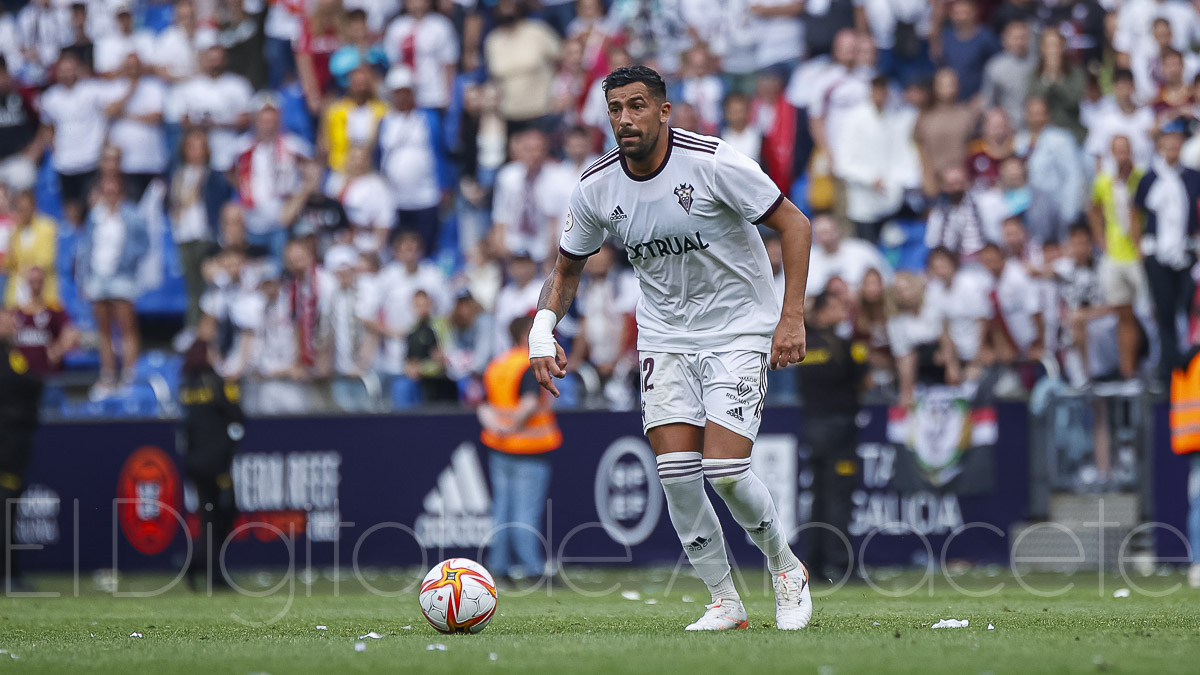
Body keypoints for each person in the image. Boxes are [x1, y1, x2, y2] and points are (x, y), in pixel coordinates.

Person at [529, 66, 814, 630]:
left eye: (637, 106)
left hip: (737, 328)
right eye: (615, 109)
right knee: (678, 476)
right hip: (665, 337)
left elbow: (795, 223)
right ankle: (725, 601)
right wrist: (542, 328)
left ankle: (785, 568)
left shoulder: (712, 162)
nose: (625, 119)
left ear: (664, 111)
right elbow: (566, 270)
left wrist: (792, 317)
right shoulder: (596, 187)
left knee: (726, 470)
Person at [478, 315, 561, 583]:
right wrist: (513, 426)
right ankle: (532, 570)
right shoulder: (529, 365)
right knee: (525, 513)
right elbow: (528, 403)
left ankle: (499, 569)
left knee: (502, 511)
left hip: (499, 448)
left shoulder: (497, 364)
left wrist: (498, 427)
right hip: (529, 449)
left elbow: (481, 404)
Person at [796, 289, 866, 583]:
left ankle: (814, 561)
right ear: (823, 311)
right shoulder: (841, 345)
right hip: (839, 429)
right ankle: (841, 564)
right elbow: (859, 374)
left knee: (818, 497)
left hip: (813, 428)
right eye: (838, 306)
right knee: (839, 497)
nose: (843, 311)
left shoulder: (803, 343)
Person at [1135, 122, 1200, 380]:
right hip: (1158, 253)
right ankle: (1169, 367)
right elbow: (1136, 210)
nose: (1172, 146)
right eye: (1167, 142)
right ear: (1159, 147)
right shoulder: (1150, 178)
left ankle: (1189, 358)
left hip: (1186, 253)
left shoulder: (1192, 176)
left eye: (1177, 141)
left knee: (1187, 304)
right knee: (1164, 310)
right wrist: (1139, 243)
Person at [179, 337, 242, 592]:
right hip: (216, 463)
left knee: (210, 518)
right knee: (223, 514)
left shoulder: (187, 386)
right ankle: (208, 570)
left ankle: (202, 565)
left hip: (195, 462)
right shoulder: (216, 382)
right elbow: (236, 415)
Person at [79, 173, 149, 396]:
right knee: (104, 331)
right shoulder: (95, 216)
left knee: (127, 329)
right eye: (106, 189)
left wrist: (128, 261)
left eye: (113, 189)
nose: (110, 194)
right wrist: (85, 278)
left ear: (120, 190)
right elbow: (87, 246)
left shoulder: (132, 214)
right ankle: (107, 377)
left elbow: (143, 244)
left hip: (122, 278)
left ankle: (129, 377)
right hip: (98, 278)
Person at [1089, 135, 1147, 381]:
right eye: (1117, 151)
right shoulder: (1104, 182)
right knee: (1123, 315)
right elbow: (1094, 209)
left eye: (1125, 150)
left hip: (1139, 254)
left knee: (1148, 314)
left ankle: (1153, 366)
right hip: (1115, 254)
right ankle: (1128, 371)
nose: (1122, 156)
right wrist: (1100, 239)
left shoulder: (1141, 178)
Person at [0, 308, 42, 593]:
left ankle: (10, 573)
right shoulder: (6, 357)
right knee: (5, 508)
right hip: (7, 442)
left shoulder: (11, 354)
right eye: (5, 318)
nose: (12, 322)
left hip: (14, 440)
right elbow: (25, 382)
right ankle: (8, 575)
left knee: (9, 508)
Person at [11, 267, 77, 377]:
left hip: (47, 375)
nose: (35, 285)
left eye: (39, 281)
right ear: (27, 283)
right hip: (21, 377)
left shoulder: (53, 311)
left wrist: (58, 349)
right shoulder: (18, 313)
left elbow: (72, 333)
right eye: (32, 281)